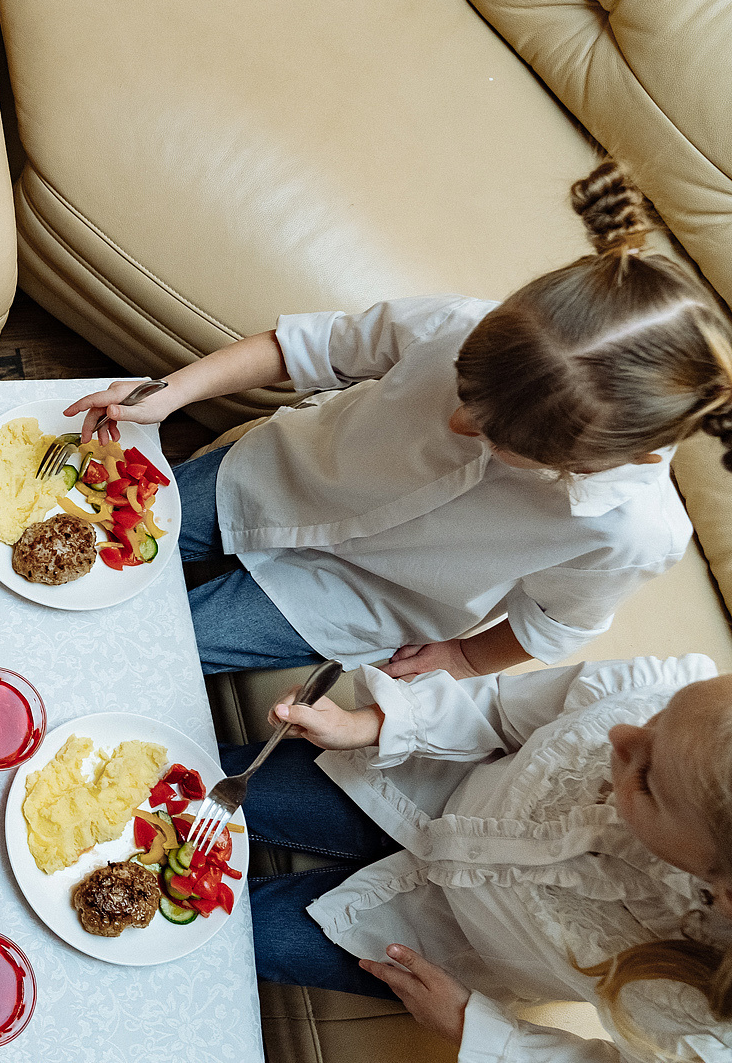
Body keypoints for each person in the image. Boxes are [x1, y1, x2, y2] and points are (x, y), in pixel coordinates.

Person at [68, 164, 732, 676]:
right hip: (274, 477)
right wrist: (171, 392)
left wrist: (463, 658)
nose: (459, 422)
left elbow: (553, 621)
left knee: (146, 650)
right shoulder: (457, 322)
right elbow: (307, 347)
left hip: (355, 600)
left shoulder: (633, 532)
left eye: (496, 437)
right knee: (77, 526)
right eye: (465, 389)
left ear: (592, 461)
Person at [241, 655, 732, 1061]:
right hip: (419, 787)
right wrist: (368, 724)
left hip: (444, 939)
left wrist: (477, 1031)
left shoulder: (706, 1017)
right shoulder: (673, 699)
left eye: (647, 779)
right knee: (187, 787)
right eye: (659, 716)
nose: (621, 735)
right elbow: (501, 709)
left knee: (229, 935)